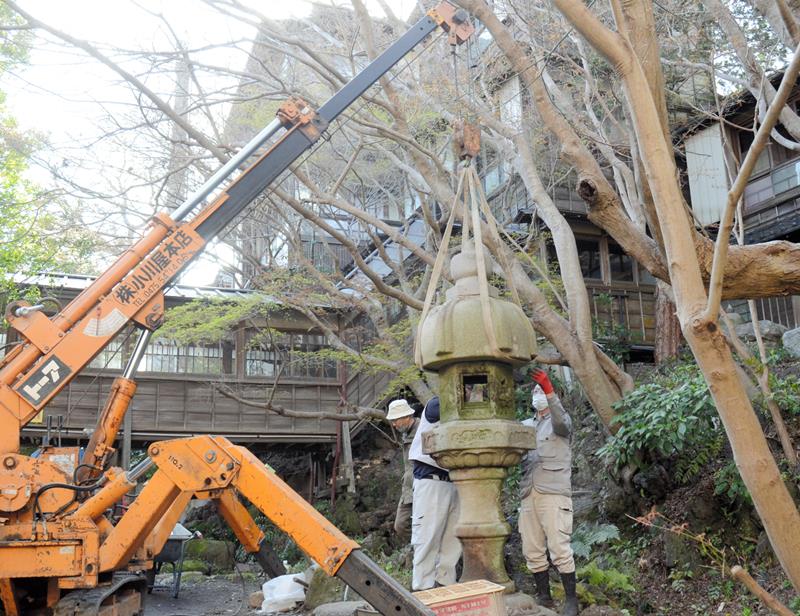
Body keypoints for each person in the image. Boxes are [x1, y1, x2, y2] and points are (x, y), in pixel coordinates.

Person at [519, 369, 578, 616]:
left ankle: (571, 601)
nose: (537, 394)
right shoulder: (525, 426)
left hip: (554, 493)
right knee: (531, 548)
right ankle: (544, 597)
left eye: (541, 391)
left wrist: (550, 391)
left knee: (559, 547)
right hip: (527, 493)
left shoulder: (559, 422)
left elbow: (563, 423)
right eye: (536, 391)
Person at [408, 396, 461, 590]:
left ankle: (445, 585)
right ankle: (422, 589)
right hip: (431, 478)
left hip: (456, 480)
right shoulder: (437, 402)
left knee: (453, 540)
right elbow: (441, 408)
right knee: (427, 537)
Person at [386, 398, 420, 542]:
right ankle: (418, 546)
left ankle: (424, 550)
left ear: (406, 417)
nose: (393, 424)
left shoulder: (422, 430)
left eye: (395, 420)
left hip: (424, 484)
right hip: (408, 486)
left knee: (424, 523)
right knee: (400, 525)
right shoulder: (406, 433)